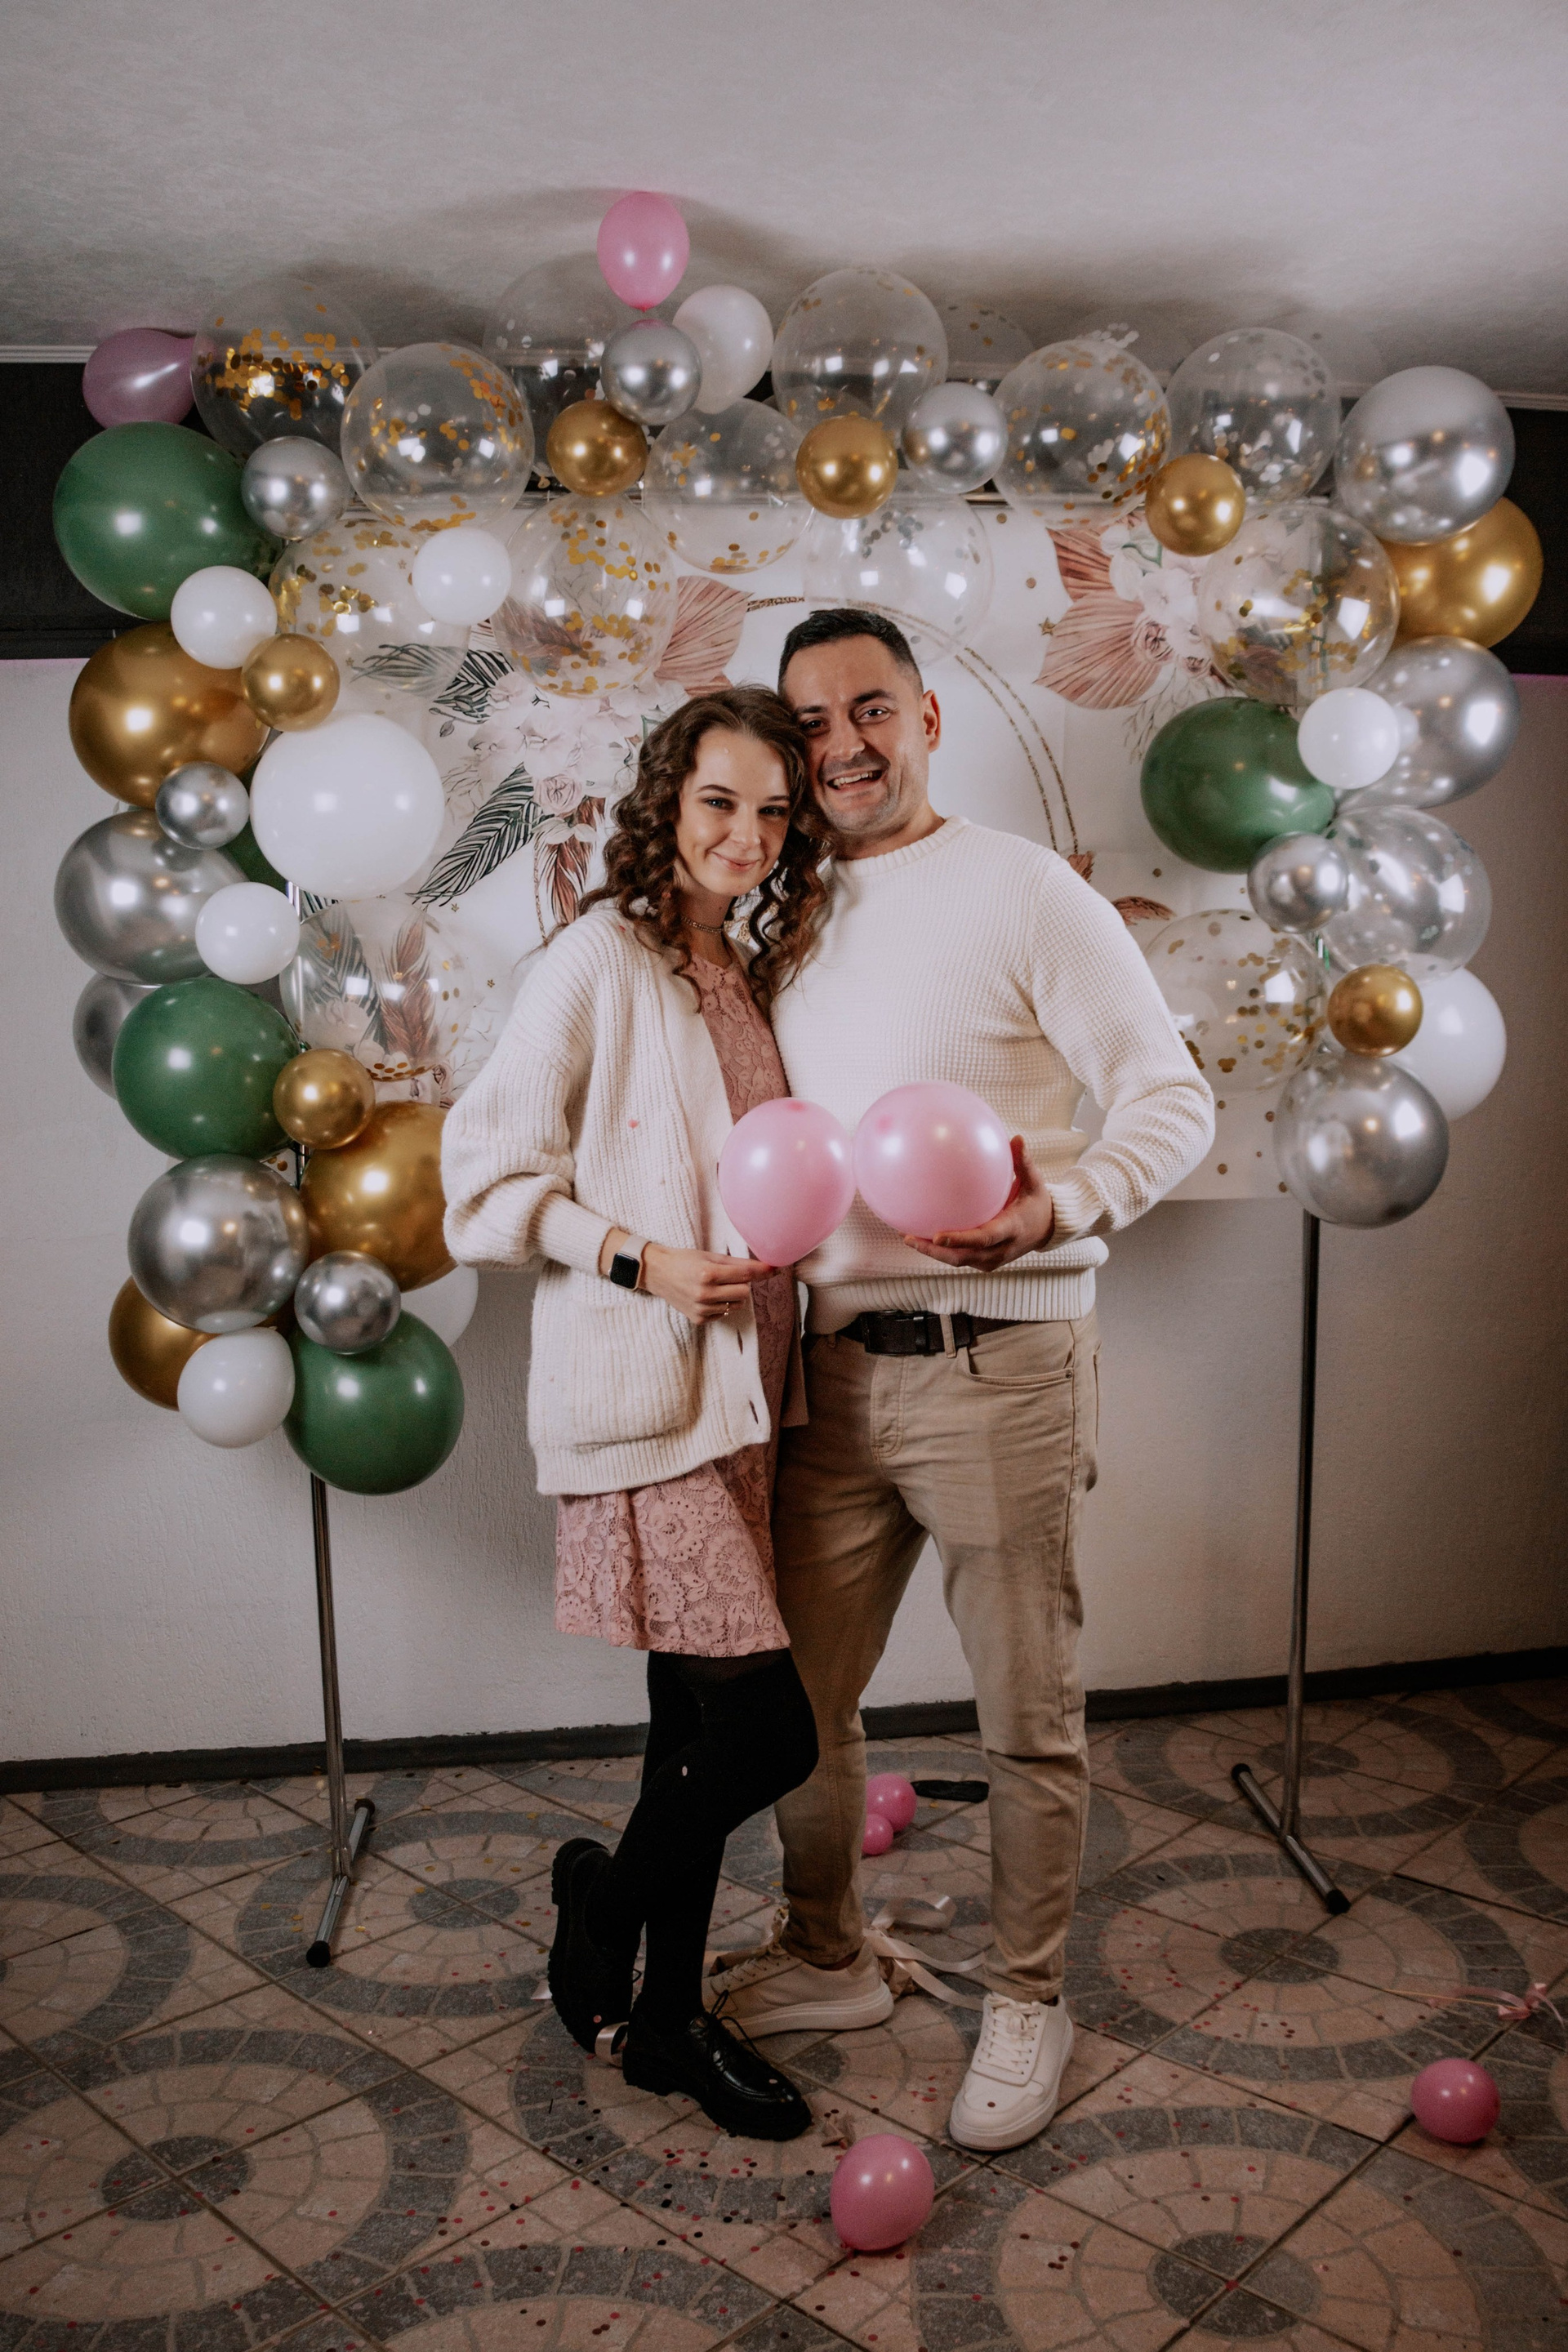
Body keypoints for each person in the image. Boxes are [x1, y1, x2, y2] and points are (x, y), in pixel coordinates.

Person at [706, 611, 1216, 2151]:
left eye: (871, 708)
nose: (843, 744)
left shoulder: (1027, 889)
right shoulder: (777, 910)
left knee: (1025, 1712)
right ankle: (827, 1957)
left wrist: (1062, 1207)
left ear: (928, 718)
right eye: (811, 721)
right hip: (829, 1374)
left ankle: (1029, 1998)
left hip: (1001, 1365)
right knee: (796, 1709)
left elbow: (1171, 1097)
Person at [441, 685, 831, 2141]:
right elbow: (484, 1182)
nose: (748, 834)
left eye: (774, 811)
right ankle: (597, 1914)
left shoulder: (745, 971)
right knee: (768, 1738)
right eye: (721, 801)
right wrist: (638, 1257)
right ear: (667, 802)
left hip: (752, 1397)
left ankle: (667, 2024)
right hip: (654, 1396)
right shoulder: (593, 961)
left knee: (691, 1735)